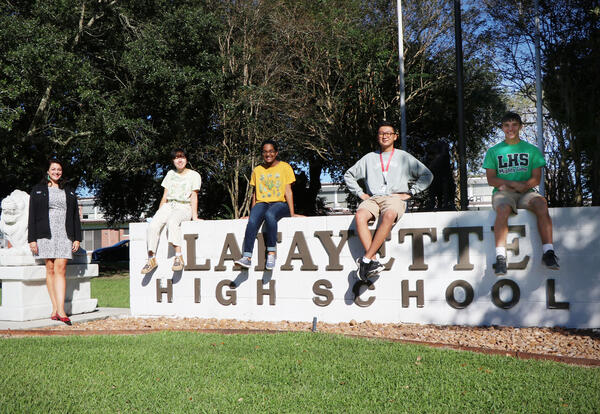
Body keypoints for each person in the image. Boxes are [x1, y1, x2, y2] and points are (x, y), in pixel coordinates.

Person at [345, 121, 433, 281]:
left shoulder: (403, 157)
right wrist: (360, 193)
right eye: (381, 133)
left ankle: (366, 260)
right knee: (360, 216)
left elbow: (427, 175)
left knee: (389, 214)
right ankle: (372, 261)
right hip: (373, 198)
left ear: (395, 137)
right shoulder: (369, 158)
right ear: (377, 136)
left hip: (393, 198)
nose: (385, 136)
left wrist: (411, 193)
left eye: (388, 133)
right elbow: (348, 175)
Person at [483, 112, 559, 275]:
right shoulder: (494, 151)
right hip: (504, 193)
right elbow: (491, 179)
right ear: (502, 128)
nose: (510, 128)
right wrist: (510, 184)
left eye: (514, 125)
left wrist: (522, 187)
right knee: (503, 209)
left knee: (541, 203)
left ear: (520, 127)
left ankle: (548, 252)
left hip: (526, 191)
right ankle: (501, 258)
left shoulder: (531, 150)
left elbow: (536, 179)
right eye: (506, 125)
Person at [28, 158, 82, 325]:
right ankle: (55, 309)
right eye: (53, 169)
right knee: (50, 268)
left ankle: (61, 309)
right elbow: (32, 216)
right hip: (45, 234)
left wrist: (77, 238)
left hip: (65, 233)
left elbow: (75, 216)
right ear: (48, 172)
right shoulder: (37, 190)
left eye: (59, 169)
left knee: (61, 268)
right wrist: (32, 239)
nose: (56, 172)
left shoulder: (69, 191)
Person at [235, 140, 297, 270]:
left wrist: (292, 213)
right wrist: (253, 214)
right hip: (262, 203)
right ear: (262, 153)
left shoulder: (285, 167)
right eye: (265, 152)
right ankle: (247, 257)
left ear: (276, 153)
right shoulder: (257, 170)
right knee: (252, 221)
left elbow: (288, 191)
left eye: (271, 151)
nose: (268, 154)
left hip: (280, 203)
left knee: (270, 215)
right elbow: (255, 195)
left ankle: (271, 253)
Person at [141, 148, 201, 274]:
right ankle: (151, 259)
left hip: (184, 207)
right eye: (176, 158)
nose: (179, 160)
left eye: (182, 157)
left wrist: (195, 216)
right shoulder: (170, 174)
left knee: (172, 222)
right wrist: (158, 213)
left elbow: (194, 196)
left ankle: (178, 256)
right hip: (169, 205)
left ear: (186, 159)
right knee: (153, 226)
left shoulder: (194, 175)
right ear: (173, 161)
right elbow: (164, 196)